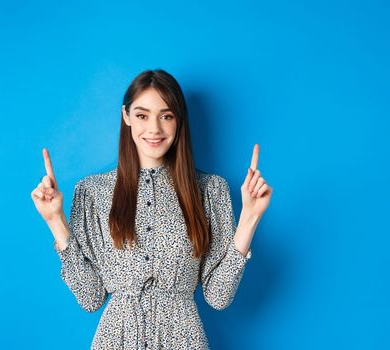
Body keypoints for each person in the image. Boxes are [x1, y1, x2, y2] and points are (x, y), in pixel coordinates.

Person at [31, 69, 272, 349]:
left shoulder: (210, 189)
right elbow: (90, 298)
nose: (154, 129)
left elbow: (218, 296)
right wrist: (55, 220)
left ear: (178, 121)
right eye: (142, 115)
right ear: (126, 117)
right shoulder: (92, 192)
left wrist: (250, 218)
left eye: (166, 116)